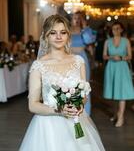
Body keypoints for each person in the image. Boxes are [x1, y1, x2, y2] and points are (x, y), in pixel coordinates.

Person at [19, 14, 105, 151]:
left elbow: (83, 95)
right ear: (46, 36)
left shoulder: (78, 61)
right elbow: (33, 105)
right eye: (53, 33)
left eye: (63, 32)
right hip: (48, 127)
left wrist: (79, 105)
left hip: (76, 121)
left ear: (68, 35)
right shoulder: (38, 66)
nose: (58, 37)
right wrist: (59, 110)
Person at [103, 21, 134, 127]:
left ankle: (121, 116)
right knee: (113, 92)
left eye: (117, 28)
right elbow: (104, 56)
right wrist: (112, 57)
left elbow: (130, 56)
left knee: (122, 92)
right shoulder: (107, 41)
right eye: (113, 29)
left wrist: (121, 57)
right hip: (111, 67)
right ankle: (116, 113)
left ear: (121, 29)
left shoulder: (126, 41)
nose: (115, 30)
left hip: (122, 67)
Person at [70, 11, 95, 115]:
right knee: (70, 86)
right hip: (69, 59)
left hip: (81, 60)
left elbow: (89, 41)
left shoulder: (86, 31)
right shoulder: (66, 30)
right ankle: (71, 111)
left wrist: (85, 27)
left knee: (84, 86)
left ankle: (85, 114)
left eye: (78, 18)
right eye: (74, 18)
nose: (76, 20)